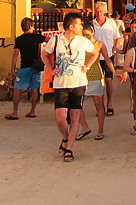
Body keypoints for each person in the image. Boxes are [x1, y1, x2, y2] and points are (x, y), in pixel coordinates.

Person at [41, 12, 98, 162]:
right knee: (60, 118)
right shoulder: (55, 41)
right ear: (71, 26)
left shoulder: (83, 41)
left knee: (75, 116)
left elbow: (94, 53)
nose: (81, 27)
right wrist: (51, 68)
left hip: (79, 83)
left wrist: (87, 66)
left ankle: (69, 149)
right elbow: (44, 55)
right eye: (79, 25)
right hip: (61, 83)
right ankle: (66, 139)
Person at [76, 24, 127, 141]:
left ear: (93, 33)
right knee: (77, 104)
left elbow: (107, 60)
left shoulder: (99, 44)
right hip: (81, 76)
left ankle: (100, 130)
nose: (85, 37)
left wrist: (114, 72)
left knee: (98, 104)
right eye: (83, 35)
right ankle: (84, 127)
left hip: (95, 76)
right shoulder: (80, 44)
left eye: (87, 35)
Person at [5, 17, 46, 120]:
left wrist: (12, 68)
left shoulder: (19, 39)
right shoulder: (37, 37)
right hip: (36, 66)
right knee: (34, 88)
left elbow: (15, 54)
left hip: (25, 66)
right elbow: (50, 40)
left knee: (18, 88)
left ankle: (15, 112)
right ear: (32, 26)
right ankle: (32, 111)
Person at [91, 1, 123, 116]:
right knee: (98, 82)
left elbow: (117, 38)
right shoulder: (92, 24)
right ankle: (100, 107)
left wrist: (114, 50)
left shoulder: (111, 23)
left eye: (101, 11)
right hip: (95, 57)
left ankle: (109, 103)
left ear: (105, 12)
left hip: (108, 56)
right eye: (97, 11)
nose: (99, 13)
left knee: (108, 80)